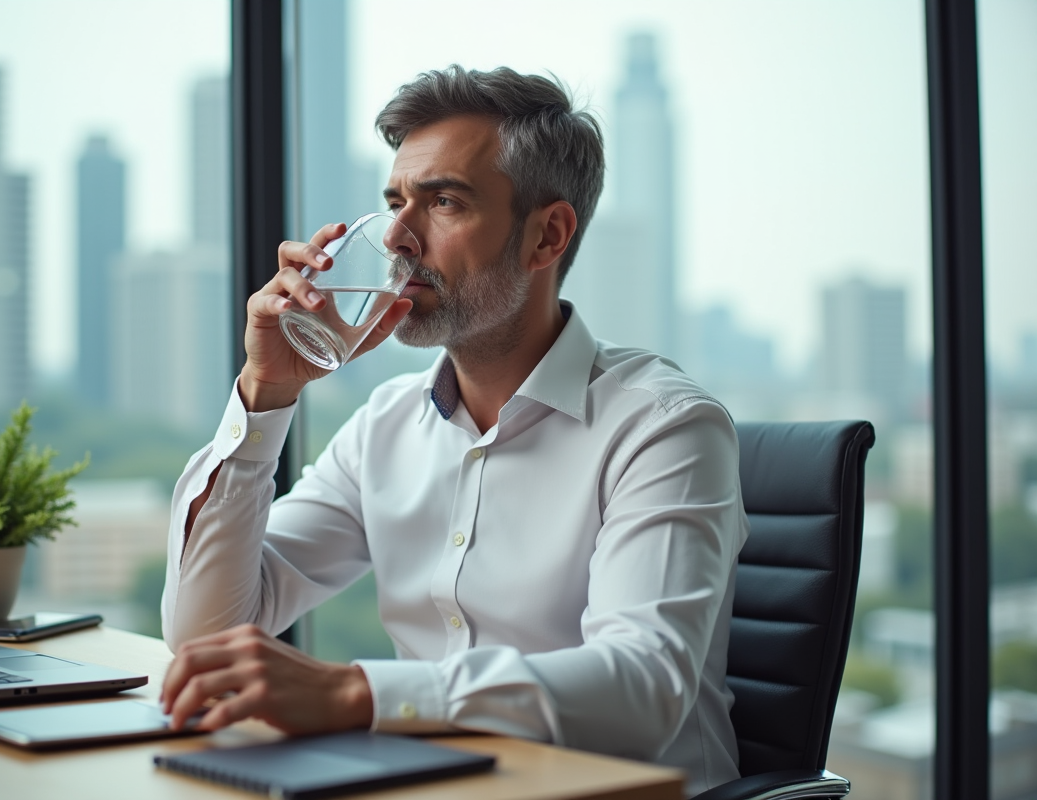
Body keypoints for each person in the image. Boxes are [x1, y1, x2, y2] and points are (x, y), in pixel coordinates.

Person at [159, 65, 748, 796]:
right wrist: (265, 392)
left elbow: (642, 687)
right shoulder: (386, 427)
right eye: (395, 202)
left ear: (546, 236)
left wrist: (359, 695)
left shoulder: (664, 428)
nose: (400, 239)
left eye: (444, 202)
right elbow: (205, 636)